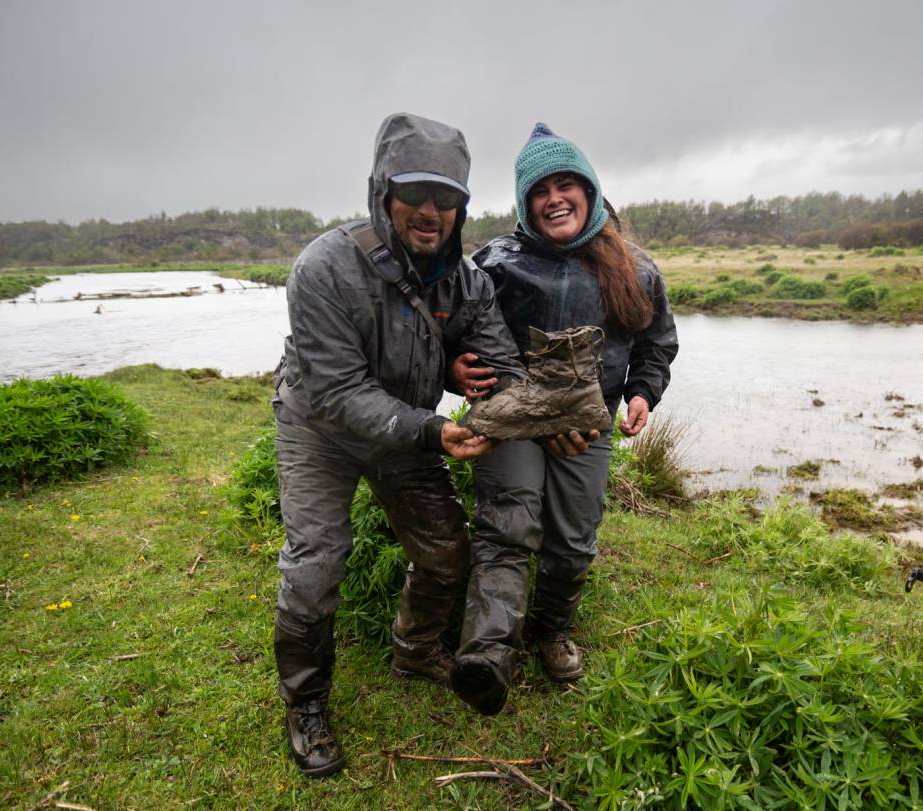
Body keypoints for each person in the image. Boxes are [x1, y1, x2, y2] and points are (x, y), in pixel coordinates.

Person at [271, 113, 524, 776]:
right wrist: (435, 427)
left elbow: (500, 358)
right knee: (317, 562)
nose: (430, 212)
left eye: (448, 199)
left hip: (407, 428)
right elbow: (337, 392)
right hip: (319, 429)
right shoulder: (323, 268)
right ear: (383, 190)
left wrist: (497, 393)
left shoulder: (465, 280)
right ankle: (307, 703)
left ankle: (415, 650)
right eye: (416, 193)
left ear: (462, 208)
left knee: (445, 552)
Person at [449, 123, 678, 716]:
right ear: (525, 204)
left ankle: (550, 630)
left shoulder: (636, 267)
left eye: (566, 184)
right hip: (512, 415)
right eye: (540, 190)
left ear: (590, 190)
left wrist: (642, 394)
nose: (554, 198)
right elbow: (457, 329)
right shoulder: (495, 262)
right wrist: (454, 369)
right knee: (507, 523)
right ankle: (488, 650)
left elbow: (656, 343)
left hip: (587, 426)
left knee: (574, 539)